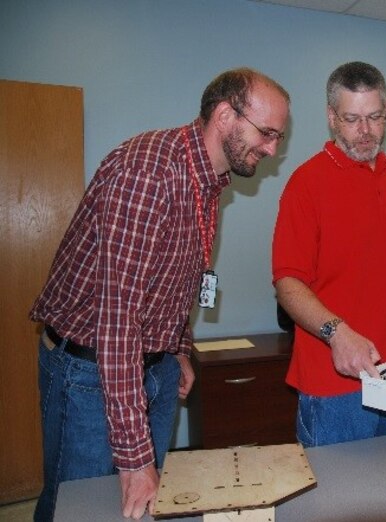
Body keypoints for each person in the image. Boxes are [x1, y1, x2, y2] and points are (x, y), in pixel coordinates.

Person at [29, 67, 289, 521]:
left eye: (277, 138)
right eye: (267, 133)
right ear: (226, 115)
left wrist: (179, 347)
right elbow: (117, 319)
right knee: (78, 508)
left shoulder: (208, 180)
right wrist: (134, 459)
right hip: (88, 370)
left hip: (156, 363)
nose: (272, 149)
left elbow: (173, 279)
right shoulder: (148, 172)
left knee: (139, 509)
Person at [272, 61, 386, 447]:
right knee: (336, 505)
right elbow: (287, 282)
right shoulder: (306, 183)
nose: (365, 131)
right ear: (331, 118)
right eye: (352, 118)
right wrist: (337, 333)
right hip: (334, 385)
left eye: (374, 117)